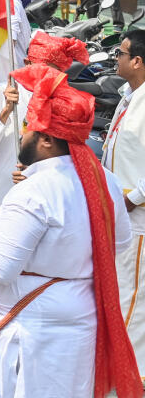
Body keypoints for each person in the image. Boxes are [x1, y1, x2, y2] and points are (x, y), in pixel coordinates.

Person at [0, 63, 137, 398]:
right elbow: (120, 243)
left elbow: (2, 268)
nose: (21, 133)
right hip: (79, 319)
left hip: (33, 331)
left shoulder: (33, 191)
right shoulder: (105, 181)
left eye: (28, 126)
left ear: (46, 140)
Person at [0, 31, 87, 239]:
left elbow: (69, 160)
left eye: (53, 74)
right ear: (27, 62)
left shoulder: (66, 103)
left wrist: (33, 174)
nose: (45, 79)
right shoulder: (3, 92)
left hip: (41, 200)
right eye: (40, 70)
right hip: (0, 194)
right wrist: (5, 112)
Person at [104, 30, 145, 375]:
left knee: (134, 294)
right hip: (119, 211)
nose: (114, 57)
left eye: (121, 53)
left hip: (138, 216)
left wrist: (134, 197)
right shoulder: (127, 97)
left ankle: (132, 372)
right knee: (120, 289)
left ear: (137, 61)